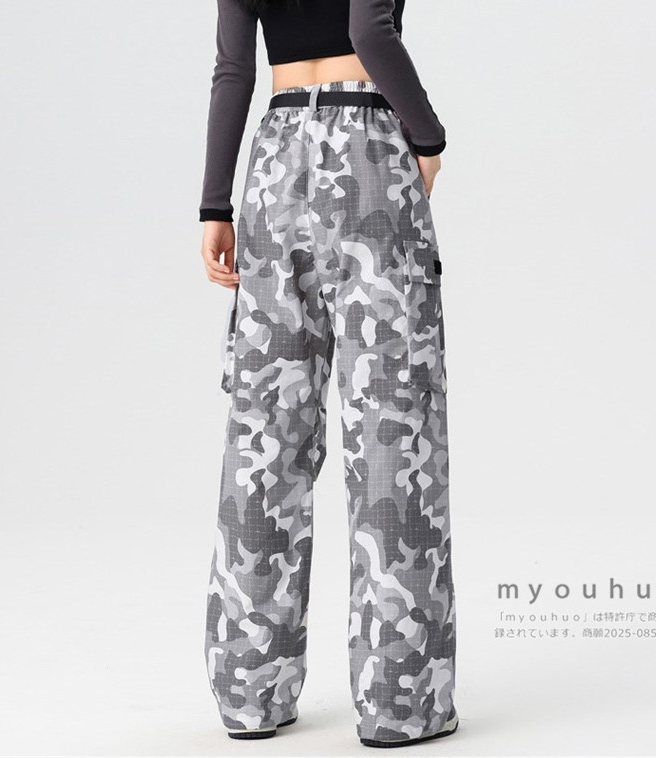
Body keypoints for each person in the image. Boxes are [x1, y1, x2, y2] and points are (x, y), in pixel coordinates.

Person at [198, 0, 457, 748]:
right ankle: (401, 703)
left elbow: (233, 70)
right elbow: (368, 30)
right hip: (369, 147)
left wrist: (215, 204)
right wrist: (428, 137)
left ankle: (249, 694)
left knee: (265, 431)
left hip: (274, 159)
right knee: (393, 426)